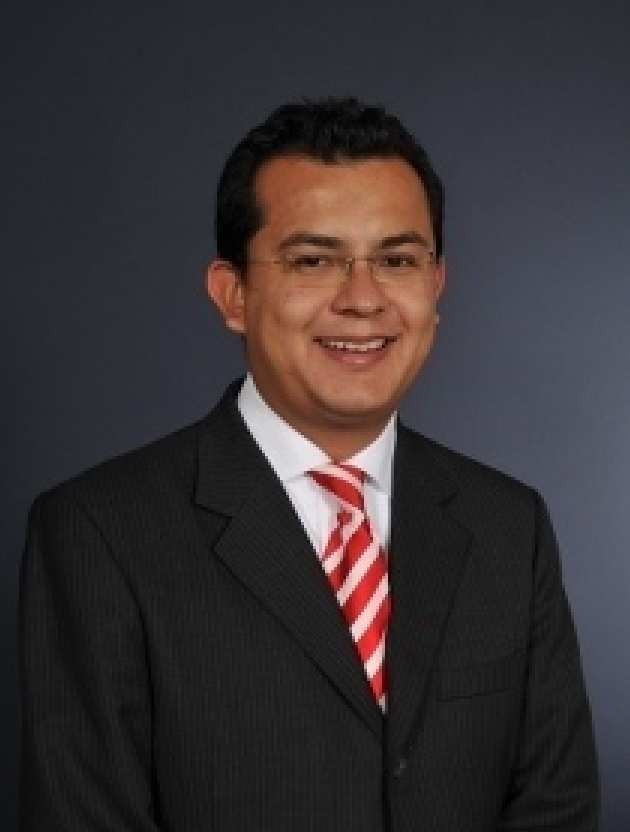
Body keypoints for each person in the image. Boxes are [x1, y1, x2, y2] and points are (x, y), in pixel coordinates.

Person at [19, 97, 599, 831]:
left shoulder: (510, 526)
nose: (362, 300)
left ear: (436, 287)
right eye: (314, 261)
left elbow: (557, 809)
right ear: (233, 294)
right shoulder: (100, 532)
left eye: (397, 260)